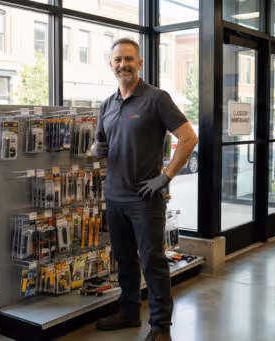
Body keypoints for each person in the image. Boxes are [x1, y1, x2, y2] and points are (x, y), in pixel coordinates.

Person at [91, 38, 198, 341]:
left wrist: (165, 178)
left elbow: (189, 139)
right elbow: (99, 144)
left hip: (145, 199)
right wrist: (94, 149)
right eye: (117, 60)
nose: (122, 64)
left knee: (153, 262)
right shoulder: (107, 105)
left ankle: (161, 328)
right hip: (114, 197)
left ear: (139, 63)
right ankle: (128, 312)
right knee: (124, 260)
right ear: (111, 65)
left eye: (128, 59)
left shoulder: (156, 98)